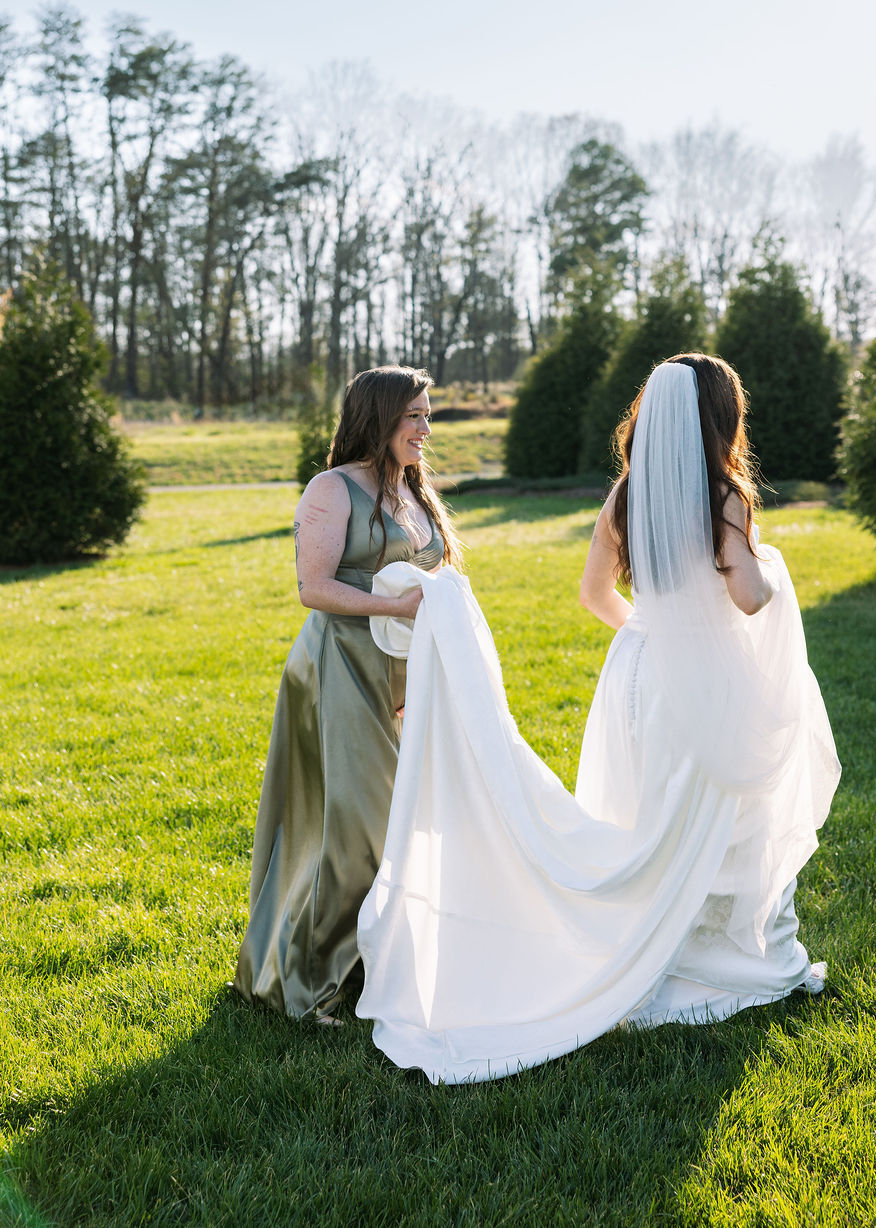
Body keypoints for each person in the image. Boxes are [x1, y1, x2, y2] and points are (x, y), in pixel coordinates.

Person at [355, 354, 840, 1082]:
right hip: (703, 673)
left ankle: (644, 944)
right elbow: (747, 598)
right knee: (722, 811)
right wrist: (766, 567)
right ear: (720, 418)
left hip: (639, 673)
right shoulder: (723, 498)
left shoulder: (624, 497)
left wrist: (651, 632)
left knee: (648, 816)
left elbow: (593, 594)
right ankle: (720, 955)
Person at [233, 365, 460, 1023]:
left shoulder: (414, 491)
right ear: (380, 416)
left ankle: (372, 960)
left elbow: (434, 579)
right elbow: (314, 588)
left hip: (404, 670)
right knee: (354, 824)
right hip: (340, 664)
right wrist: (398, 610)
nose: (425, 428)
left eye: (427, 415)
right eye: (414, 415)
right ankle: (307, 984)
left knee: (401, 819)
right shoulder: (333, 489)